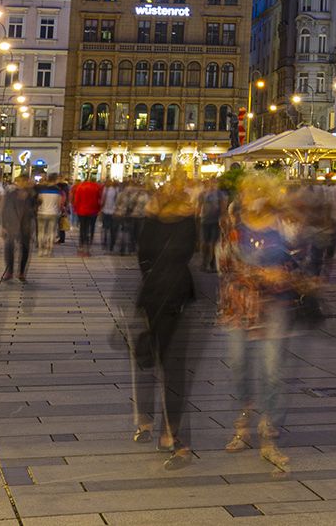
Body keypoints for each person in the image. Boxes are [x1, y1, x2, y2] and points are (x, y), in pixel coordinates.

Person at [218, 174, 307, 473]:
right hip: (239, 303)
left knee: (272, 370)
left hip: (274, 305)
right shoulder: (232, 223)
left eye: (257, 190)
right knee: (238, 365)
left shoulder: (284, 223)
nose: (250, 196)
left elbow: (300, 259)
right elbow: (222, 261)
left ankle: (268, 433)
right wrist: (256, 271)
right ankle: (243, 420)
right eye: (246, 191)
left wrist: (283, 273)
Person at [134, 182, 201, 468]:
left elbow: (143, 258)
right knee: (175, 371)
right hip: (177, 298)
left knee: (155, 363)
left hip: (152, 297)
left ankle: (149, 424)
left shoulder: (150, 222)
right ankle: (174, 437)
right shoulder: (187, 222)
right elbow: (187, 253)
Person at [0, 176, 36, 283]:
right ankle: (9, 271)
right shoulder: (10, 194)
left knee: (25, 248)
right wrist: (3, 226)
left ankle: (21, 272)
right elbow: (4, 209)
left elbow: (35, 209)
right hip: (11, 224)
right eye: (20, 181)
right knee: (9, 247)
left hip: (25, 225)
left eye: (25, 181)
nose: (22, 183)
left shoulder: (31, 195)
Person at [70, 176, 104, 257]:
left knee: (83, 228)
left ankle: (81, 244)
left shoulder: (80, 187)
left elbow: (77, 199)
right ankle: (88, 244)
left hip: (81, 211)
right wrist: (99, 209)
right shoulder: (96, 187)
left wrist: (75, 208)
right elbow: (99, 199)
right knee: (91, 227)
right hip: (93, 210)